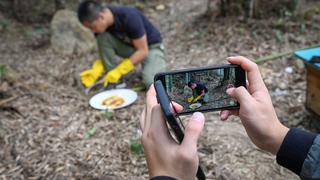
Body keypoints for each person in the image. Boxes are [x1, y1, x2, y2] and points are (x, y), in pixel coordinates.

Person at [140, 56, 320, 179]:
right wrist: (275, 136)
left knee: (202, 101)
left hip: (206, 95)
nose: (192, 85)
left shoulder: (200, 85)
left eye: (193, 84)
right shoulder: (191, 86)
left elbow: (202, 93)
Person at [77, 0, 166, 88]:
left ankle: (153, 65)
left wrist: (120, 70)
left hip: (150, 48)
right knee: (102, 37)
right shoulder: (101, 29)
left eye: (93, 27)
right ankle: (114, 80)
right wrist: (97, 69)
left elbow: (143, 51)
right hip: (131, 48)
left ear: (101, 17)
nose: (93, 31)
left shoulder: (129, 17)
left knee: (152, 83)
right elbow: (105, 51)